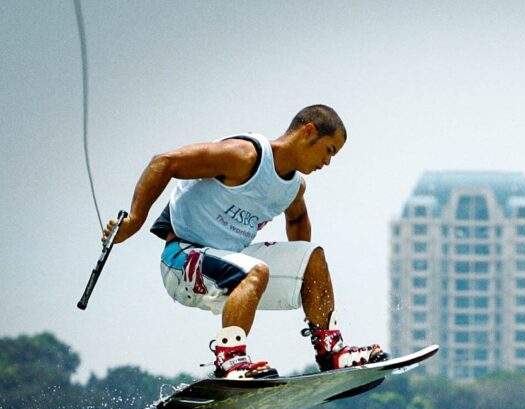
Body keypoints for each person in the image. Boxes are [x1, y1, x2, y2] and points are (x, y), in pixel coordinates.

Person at [102, 104, 386, 379]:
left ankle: (331, 350)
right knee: (254, 271)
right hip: (182, 260)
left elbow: (297, 220)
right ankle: (230, 362)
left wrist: (302, 282)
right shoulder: (244, 156)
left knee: (313, 256)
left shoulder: (294, 187)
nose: (327, 162)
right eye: (329, 151)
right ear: (308, 131)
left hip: (230, 262)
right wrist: (135, 221)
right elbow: (165, 162)